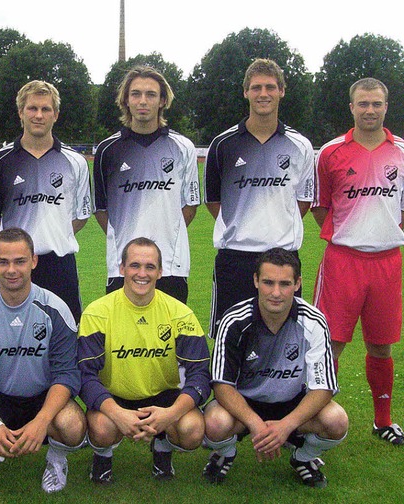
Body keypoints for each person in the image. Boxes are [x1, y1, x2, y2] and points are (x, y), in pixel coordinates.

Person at [0, 228, 86, 493]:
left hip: (43, 396)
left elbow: (67, 374)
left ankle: (56, 457)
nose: (11, 269)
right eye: (3, 262)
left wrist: (42, 421)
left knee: (73, 427)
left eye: (19, 261)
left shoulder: (56, 309)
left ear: (34, 261)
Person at [202, 248, 348, 488]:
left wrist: (286, 426)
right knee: (215, 423)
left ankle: (302, 458)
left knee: (336, 420)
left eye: (285, 283)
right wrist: (256, 424)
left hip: (292, 402)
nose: (276, 293)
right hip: (245, 403)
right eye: (268, 282)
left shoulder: (313, 321)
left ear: (298, 283)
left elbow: (324, 388)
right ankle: (225, 453)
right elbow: (222, 385)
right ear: (256, 281)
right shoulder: (234, 320)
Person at [312, 77, 404, 446]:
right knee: (331, 343)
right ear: (351, 107)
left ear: (386, 106)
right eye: (363, 104)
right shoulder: (331, 153)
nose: (369, 110)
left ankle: (383, 420)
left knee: (381, 344)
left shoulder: (401, 152)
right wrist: (352, 234)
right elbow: (321, 208)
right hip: (343, 261)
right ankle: (318, 416)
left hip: (388, 262)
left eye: (376, 104)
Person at [78, 237, 210, 483]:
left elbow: (200, 373)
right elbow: (85, 375)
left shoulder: (181, 313)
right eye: (135, 265)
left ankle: (162, 450)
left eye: (150, 267)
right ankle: (102, 457)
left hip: (164, 397)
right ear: (121, 269)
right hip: (115, 396)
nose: (142, 273)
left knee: (192, 431)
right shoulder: (97, 312)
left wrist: (169, 414)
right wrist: (117, 413)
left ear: (160, 272)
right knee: (103, 428)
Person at [204, 58, 314, 338]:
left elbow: (303, 201)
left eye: (270, 87)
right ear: (246, 92)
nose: (263, 94)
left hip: (283, 257)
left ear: (281, 91)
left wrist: (274, 224)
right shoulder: (223, 144)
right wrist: (246, 225)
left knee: (284, 340)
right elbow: (214, 202)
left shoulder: (300, 145)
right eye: (256, 88)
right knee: (229, 338)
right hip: (235, 257)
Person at [0, 80, 91, 322]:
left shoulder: (75, 162)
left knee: (65, 337)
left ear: (56, 115)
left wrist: (54, 234)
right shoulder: (0, 162)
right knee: (8, 336)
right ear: (21, 112)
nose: (39, 115)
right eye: (32, 108)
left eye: (46, 109)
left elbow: (81, 215)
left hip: (60, 264)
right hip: (15, 265)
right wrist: (16, 248)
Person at [92, 66, 200, 303]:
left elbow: (190, 206)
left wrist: (167, 235)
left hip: (171, 265)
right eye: (136, 94)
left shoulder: (183, 148)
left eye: (151, 94)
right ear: (126, 100)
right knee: (122, 338)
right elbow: (102, 211)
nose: (143, 101)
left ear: (162, 100)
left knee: (172, 338)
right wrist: (125, 236)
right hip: (122, 266)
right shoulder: (107, 150)